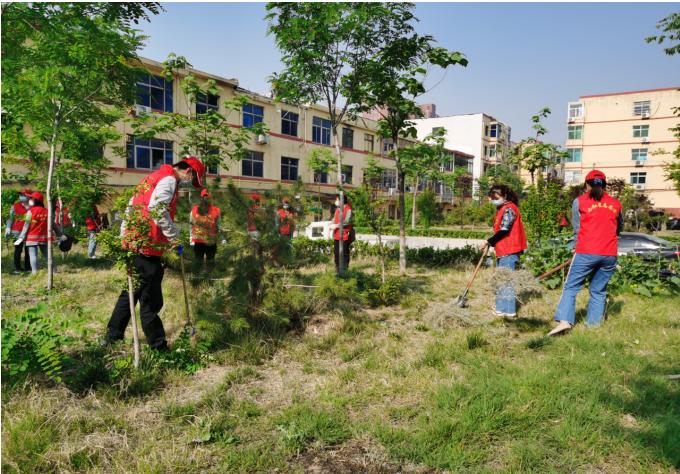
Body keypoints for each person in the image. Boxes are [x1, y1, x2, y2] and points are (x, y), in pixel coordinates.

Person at [104, 156, 206, 350]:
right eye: (192, 179)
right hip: (148, 247)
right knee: (151, 299)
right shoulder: (168, 180)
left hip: (135, 243)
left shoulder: (151, 177)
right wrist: (174, 237)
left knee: (130, 293)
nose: (189, 183)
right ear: (188, 171)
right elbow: (157, 210)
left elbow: (130, 208)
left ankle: (112, 337)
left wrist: (124, 238)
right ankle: (158, 345)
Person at [548, 170, 623, 336]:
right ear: (605, 185)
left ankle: (565, 321)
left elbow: (577, 228)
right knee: (598, 290)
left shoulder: (580, 201)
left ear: (586, 185)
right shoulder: (616, 204)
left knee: (571, 287)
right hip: (609, 254)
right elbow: (619, 228)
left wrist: (576, 246)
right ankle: (593, 327)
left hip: (586, 251)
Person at [483, 184, 527, 318]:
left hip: (510, 249)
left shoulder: (509, 209)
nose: (493, 200)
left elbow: (504, 230)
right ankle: (501, 308)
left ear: (505, 196)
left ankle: (508, 311)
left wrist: (489, 241)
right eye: (492, 198)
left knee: (506, 280)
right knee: (502, 279)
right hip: (504, 249)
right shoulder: (502, 208)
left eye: (495, 197)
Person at [14, 191, 58, 274]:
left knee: (33, 256)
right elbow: (54, 225)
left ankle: (35, 273)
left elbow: (26, 226)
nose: (29, 200)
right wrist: (60, 234)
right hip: (44, 237)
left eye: (31, 198)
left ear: (36, 200)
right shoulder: (47, 211)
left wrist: (21, 237)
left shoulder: (30, 212)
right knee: (48, 255)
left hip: (32, 237)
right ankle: (54, 271)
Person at [190, 188, 221, 271]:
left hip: (211, 242)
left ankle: (209, 280)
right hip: (198, 241)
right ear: (201, 197)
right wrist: (191, 239)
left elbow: (219, 226)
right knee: (198, 262)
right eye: (204, 196)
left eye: (208, 196)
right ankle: (196, 281)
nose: (206, 198)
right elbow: (191, 224)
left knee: (210, 263)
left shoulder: (216, 210)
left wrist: (221, 238)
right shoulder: (194, 209)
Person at [5, 188, 32, 274]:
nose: (21, 197)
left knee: (28, 250)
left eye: (23, 195)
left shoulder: (32, 206)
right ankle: (17, 268)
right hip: (16, 231)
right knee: (18, 250)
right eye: (20, 195)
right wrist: (8, 227)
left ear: (28, 196)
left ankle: (28, 267)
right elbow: (11, 218)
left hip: (29, 231)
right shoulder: (15, 206)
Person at [331, 194, 353, 274]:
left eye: (337, 200)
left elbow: (347, 222)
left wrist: (336, 225)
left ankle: (344, 271)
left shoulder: (348, 209)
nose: (336, 202)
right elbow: (334, 219)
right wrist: (331, 224)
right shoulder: (337, 209)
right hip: (336, 235)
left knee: (344, 254)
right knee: (336, 254)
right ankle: (337, 270)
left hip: (345, 235)